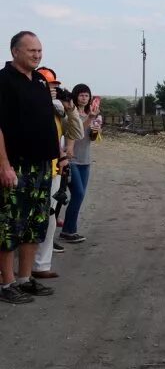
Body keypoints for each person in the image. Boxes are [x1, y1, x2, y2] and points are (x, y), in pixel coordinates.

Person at [0, 31, 63, 303]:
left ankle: (25, 279)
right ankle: (7, 283)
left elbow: (46, 123)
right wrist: (3, 165)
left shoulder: (38, 81)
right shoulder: (3, 81)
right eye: (31, 51)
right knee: (9, 225)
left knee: (34, 223)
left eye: (39, 50)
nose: (37, 55)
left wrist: (58, 154)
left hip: (41, 166)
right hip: (15, 165)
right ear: (15, 51)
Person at [31, 67, 83, 279]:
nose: (53, 91)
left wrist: (70, 110)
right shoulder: (32, 106)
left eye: (55, 87)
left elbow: (77, 133)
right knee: (22, 218)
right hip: (30, 168)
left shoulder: (59, 111)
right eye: (49, 87)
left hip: (53, 170)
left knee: (50, 218)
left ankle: (41, 265)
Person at [59, 83, 99, 244]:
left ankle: (69, 229)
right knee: (78, 194)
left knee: (78, 196)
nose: (84, 98)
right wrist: (89, 119)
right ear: (75, 96)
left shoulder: (92, 115)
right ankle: (68, 230)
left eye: (87, 95)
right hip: (71, 160)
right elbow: (77, 133)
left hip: (85, 160)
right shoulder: (70, 114)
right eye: (81, 95)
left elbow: (90, 138)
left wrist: (96, 131)